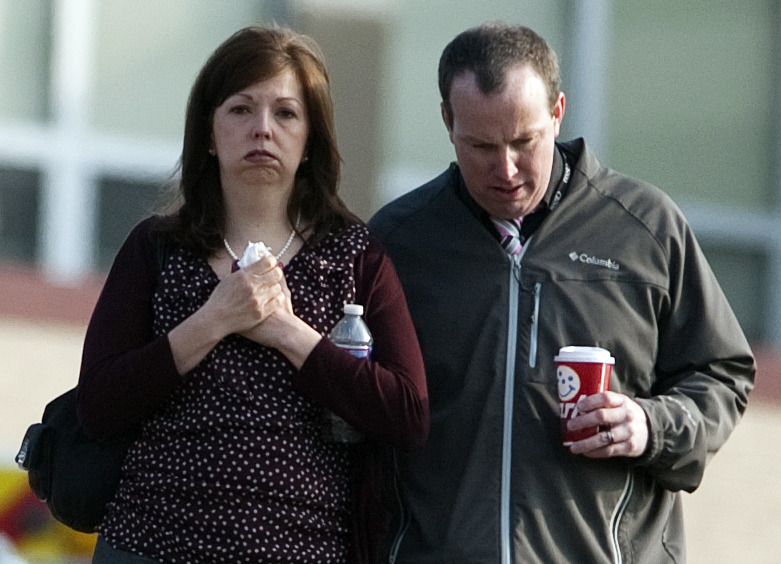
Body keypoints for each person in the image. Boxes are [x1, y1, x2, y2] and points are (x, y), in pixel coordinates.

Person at [368, 22, 755, 564]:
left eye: (524, 142)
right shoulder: (397, 241)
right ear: (446, 122)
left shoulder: (645, 227)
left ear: (557, 113)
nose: (505, 169)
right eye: (480, 145)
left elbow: (722, 372)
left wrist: (651, 425)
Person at [76, 26, 428, 564]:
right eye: (241, 109)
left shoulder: (356, 258)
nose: (262, 129)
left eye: (286, 113)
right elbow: (97, 405)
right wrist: (213, 321)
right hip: (151, 545)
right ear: (209, 133)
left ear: (311, 138)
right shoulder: (156, 248)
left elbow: (407, 414)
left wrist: (289, 333)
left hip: (303, 548)